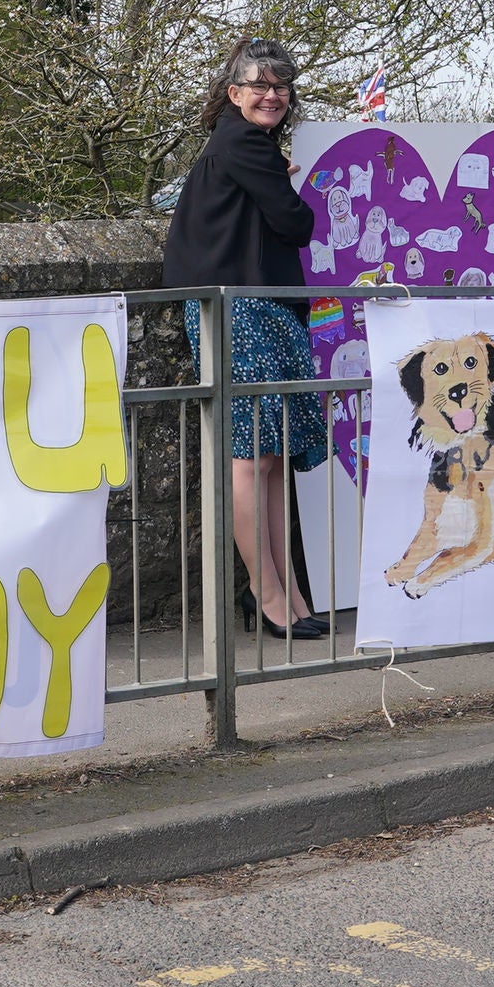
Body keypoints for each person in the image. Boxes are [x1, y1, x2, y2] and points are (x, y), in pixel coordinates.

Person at [158, 35, 329, 636]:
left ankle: (289, 593)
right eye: (259, 85)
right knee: (254, 458)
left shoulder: (243, 147)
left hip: (257, 305)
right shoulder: (244, 143)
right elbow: (296, 221)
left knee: (272, 458)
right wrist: (288, 187)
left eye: (281, 86)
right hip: (238, 310)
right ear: (234, 93)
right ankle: (267, 594)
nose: (272, 95)